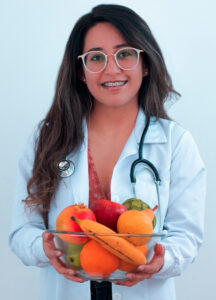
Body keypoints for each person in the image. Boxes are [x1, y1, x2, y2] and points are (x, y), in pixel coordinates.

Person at [9, 4, 206, 300]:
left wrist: (161, 260)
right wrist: (45, 247)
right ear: (80, 71)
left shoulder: (175, 143)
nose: (111, 69)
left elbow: (187, 236)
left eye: (125, 54)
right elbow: (22, 231)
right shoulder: (47, 138)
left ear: (146, 63)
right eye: (96, 57)